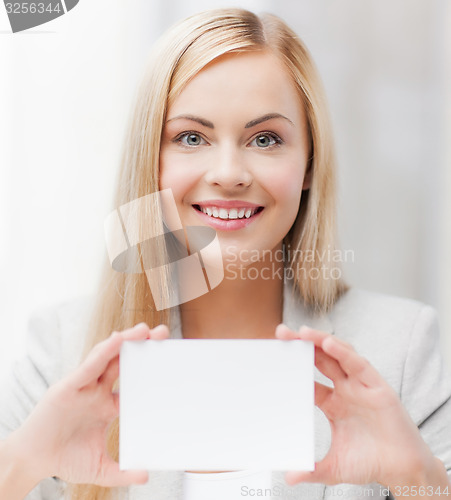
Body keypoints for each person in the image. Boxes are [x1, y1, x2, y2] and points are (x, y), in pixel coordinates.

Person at [0, 7, 450, 500]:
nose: (229, 172)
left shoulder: (403, 352)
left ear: (307, 166)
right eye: (191, 137)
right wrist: (18, 469)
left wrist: (419, 484)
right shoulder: (61, 351)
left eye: (265, 139)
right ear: (150, 162)